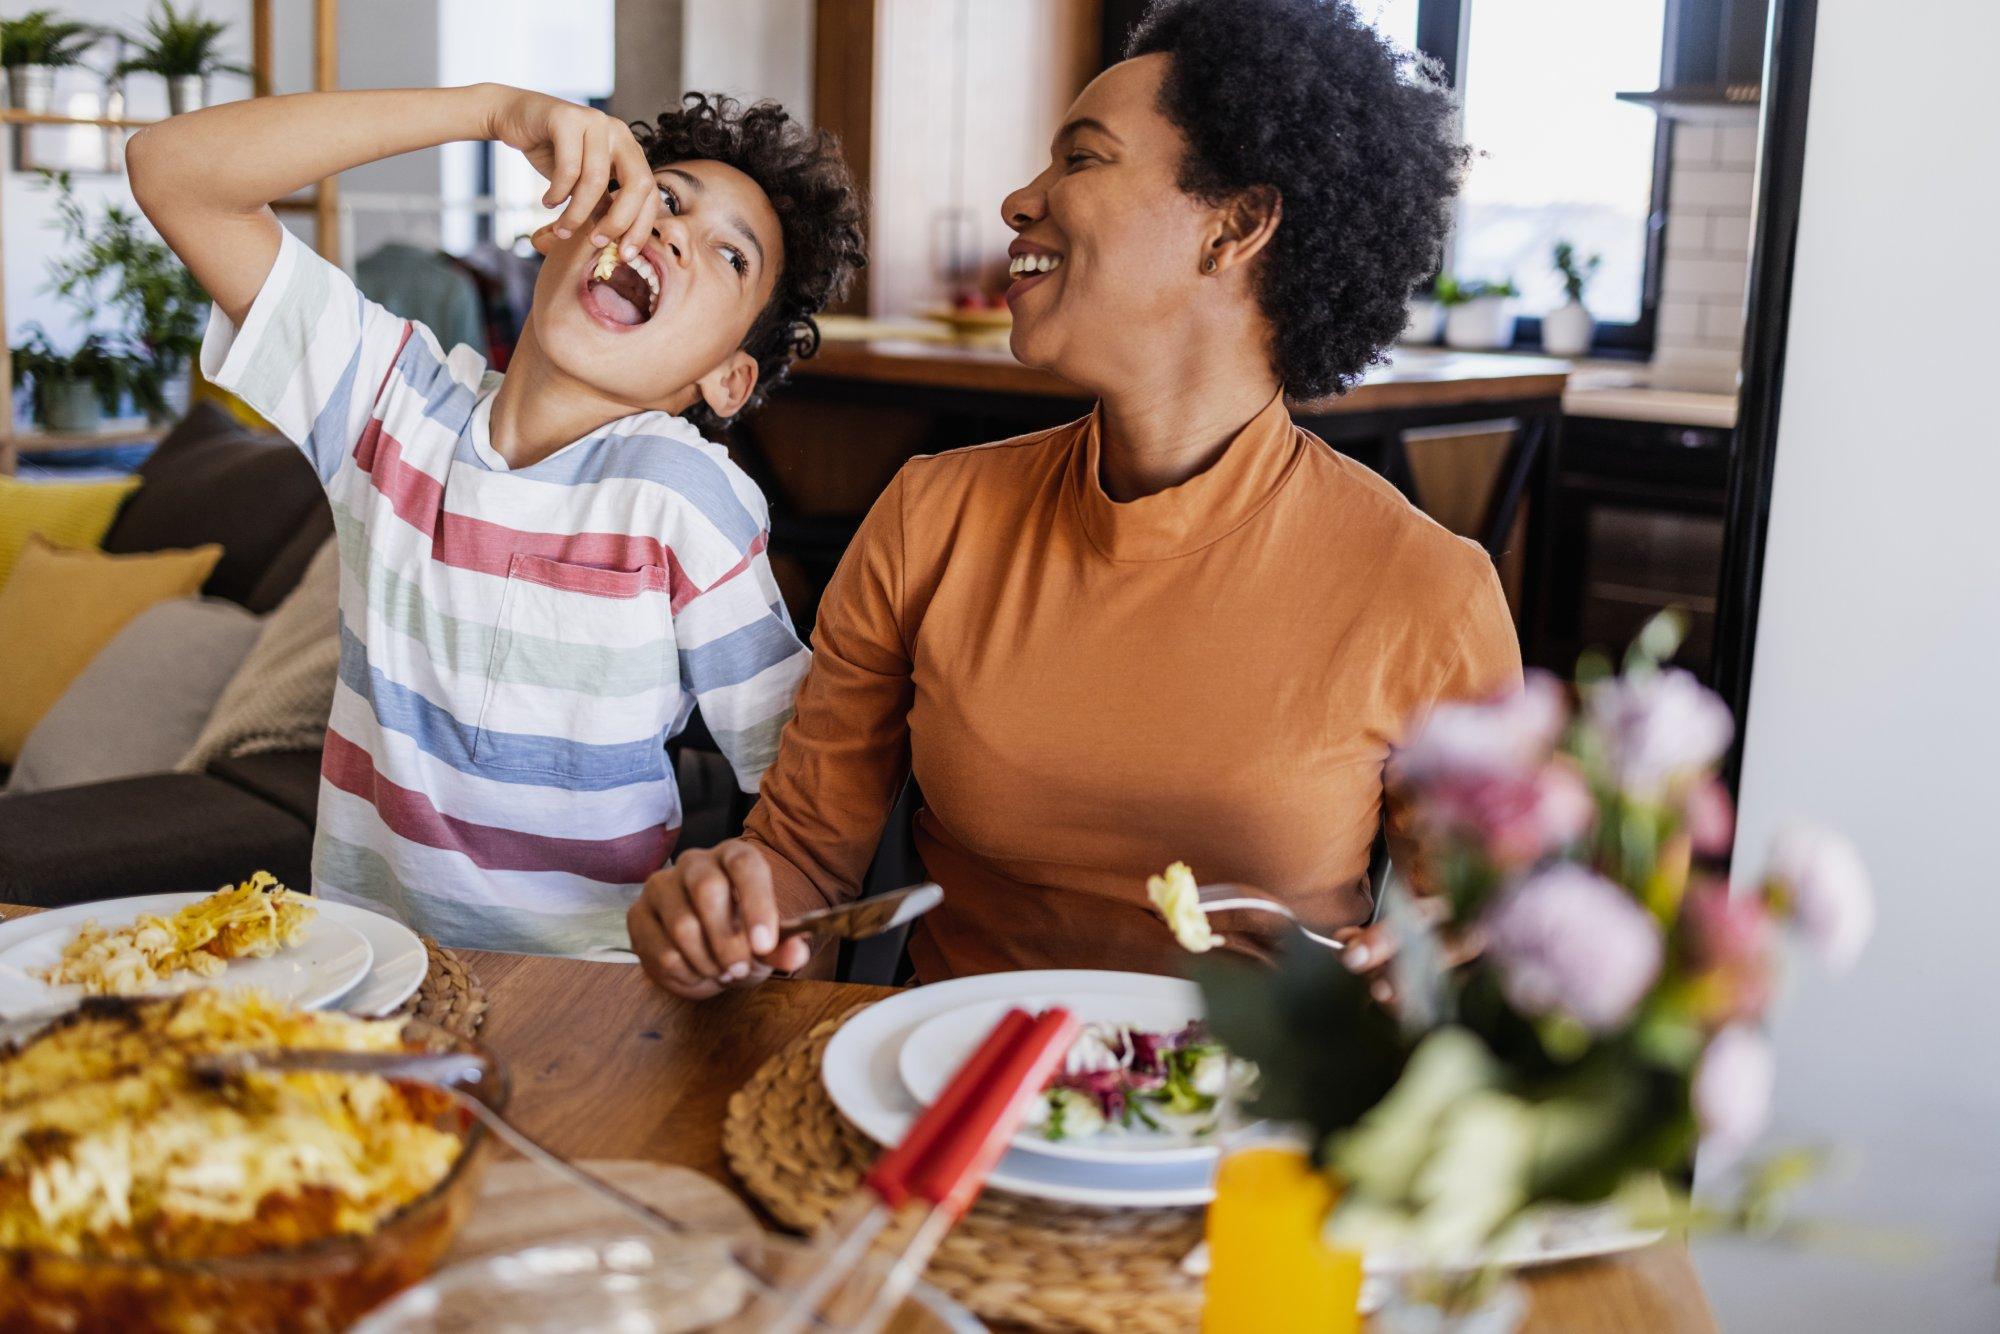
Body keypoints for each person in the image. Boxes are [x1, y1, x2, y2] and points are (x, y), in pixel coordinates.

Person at [630, 0, 1522, 998]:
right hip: (940, 1098)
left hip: (1244, 1138)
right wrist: (726, 910)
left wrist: (1453, 956)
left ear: (1232, 225)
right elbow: (803, 861)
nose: (1019, 199)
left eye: (1081, 160)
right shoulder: (932, 517)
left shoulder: (1427, 590)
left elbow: (1487, 929)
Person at [126, 84, 864, 954]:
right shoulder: (388, 407)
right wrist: (492, 111)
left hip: (589, 1009)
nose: (671, 232)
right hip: (368, 987)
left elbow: (807, 786)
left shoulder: (678, 494)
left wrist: (738, 920)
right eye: (661, 197)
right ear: (570, 223)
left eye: (730, 256)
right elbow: (170, 171)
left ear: (727, 380)